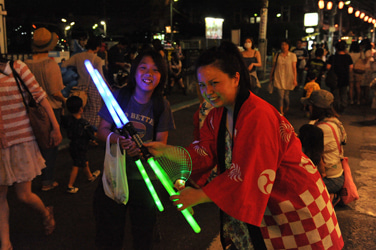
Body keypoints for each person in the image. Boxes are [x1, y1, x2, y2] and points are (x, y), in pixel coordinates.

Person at [145, 42, 344, 249]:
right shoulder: (216, 115)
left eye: (214, 83)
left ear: (236, 78)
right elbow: (204, 151)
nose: (208, 92)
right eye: (202, 85)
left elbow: (251, 173)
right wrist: (166, 152)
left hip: (293, 205)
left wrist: (201, 195)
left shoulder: (258, 115)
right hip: (266, 207)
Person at [93, 49, 175, 250]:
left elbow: (161, 145)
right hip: (115, 174)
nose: (149, 74)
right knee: (109, 234)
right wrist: (119, 140)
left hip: (145, 181)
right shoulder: (119, 96)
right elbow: (101, 131)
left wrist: (144, 150)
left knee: (143, 235)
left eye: (155, 70)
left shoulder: (161, 106)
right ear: (134, 72)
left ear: (161, 76)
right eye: (143, 68)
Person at [0, 58, 62, 250]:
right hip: (0, 144)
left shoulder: (17, 67)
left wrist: (56, 127)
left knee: (23, 195)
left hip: (22, 140)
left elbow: (40, 96)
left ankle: (45, 213)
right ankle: (6, 244)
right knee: (0, 196)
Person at [25, 27, 66, 192]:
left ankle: (34, 178)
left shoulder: (26, 64)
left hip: (31, 111)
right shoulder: (50, 64)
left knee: (35, 145)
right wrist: (66, 101)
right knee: (50, 145)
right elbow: (55, 93)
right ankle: (47, 181)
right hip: (50, 111)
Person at [301, 89, 346, 205]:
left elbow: (306, 153)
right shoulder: (335, 122)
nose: (307, 108)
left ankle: (330, 197)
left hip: (330, 179)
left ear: (317, 108)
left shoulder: (322, 129)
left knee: (297, 191)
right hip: (337, 175)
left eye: (310, 105)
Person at [62, 37, 107, 128]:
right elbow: (100, 77)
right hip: (93, 90)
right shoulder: (97, 59)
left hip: (80, 89)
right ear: (97, 47)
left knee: (81, 111)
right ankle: (91, 134)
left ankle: (80, 129)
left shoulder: (77, 56)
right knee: (94, 113)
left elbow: (64, 65)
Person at [61, 96, 100, 193]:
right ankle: (70, 185)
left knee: (83, 161)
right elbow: (90, 134)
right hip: (81, 147)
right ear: (81, 109)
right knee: (76, 165)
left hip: (73, 146)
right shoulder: (84, 124)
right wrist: (94, 140)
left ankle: (90, 176)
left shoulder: (68, 120)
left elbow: (63, 120)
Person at [270, 39, 297, 115]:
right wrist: (271, 76)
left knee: (286, 96)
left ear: (288, 46)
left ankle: (287, 105)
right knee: (280, 96)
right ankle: (281, 110)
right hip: (279, 76)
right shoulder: (277, 55)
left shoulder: (292, 55)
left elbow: (294, 68)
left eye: (286, 45)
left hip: (289, 77)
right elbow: (274, 66)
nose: (284, 46)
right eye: (282, 44)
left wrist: (295, 79)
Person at [326, 40, 353, 114]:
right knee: (344, 93)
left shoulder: (333, 57)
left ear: (336, 48)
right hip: (345, 78)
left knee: (336, 94)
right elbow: (351, 67)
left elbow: (328, 67)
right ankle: (343, 106)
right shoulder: (348, 57)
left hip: (334, 79)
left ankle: (336, 109)